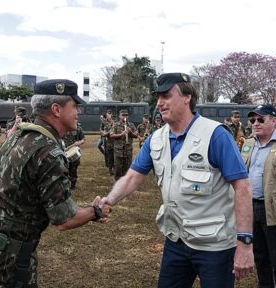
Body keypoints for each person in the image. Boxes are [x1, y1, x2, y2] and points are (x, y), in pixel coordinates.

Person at [100, 73, 254, 287]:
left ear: (187, 97)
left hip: (215, 245)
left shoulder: (215, 135)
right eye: (158, 97)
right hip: (176, 239)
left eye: (166, 96)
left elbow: (243, 187)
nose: (159, 103)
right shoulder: (156, 139)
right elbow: (133, 177)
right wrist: (109, 200)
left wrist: (245, 243)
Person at [0, 79, 111, 288]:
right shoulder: (48, 152)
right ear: (56, 109)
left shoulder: (18, 134)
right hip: (11, 257)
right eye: (75, 106)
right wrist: (96, 211)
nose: (78, 112)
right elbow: (65, 220)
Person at [241, 104, 276, 287]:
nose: (255, 123)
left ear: (273, 121)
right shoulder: (248, 144)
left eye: (261, 119)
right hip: (250, 207)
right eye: (253, 119)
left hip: (272, 209)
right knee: (260, 256)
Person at [110, 109, 138, 180]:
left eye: (126, 115)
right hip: (118, 152)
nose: (124, 117)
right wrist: (121, 134)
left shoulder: (131, 125)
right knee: (118, 170)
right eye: (123, 115)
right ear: (119, 116)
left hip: (128, 152)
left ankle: (125, 186)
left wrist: (130, 132)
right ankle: (117, 186)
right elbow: (111, 135)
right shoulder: (116, 125)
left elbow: (136, 135)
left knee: (127, 170)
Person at [63, 123, 85, 190]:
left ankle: (72, 186)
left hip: (74, 152)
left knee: (73, 170)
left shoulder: (78, 128)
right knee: (64, 170)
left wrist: (78, 143)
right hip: (64, 152)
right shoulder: (62, 126)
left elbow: (83, 139)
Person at [100, 110, 115, 175]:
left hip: (115, 142)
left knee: (115, 156)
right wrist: (105, 133)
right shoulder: (104, 122)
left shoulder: (115, 122)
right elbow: (101, 130)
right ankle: (110, 168)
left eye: (110, 114)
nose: (109, 115)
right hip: (107, 141)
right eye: (108, 114)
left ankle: (114, 168)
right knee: (108, 155)